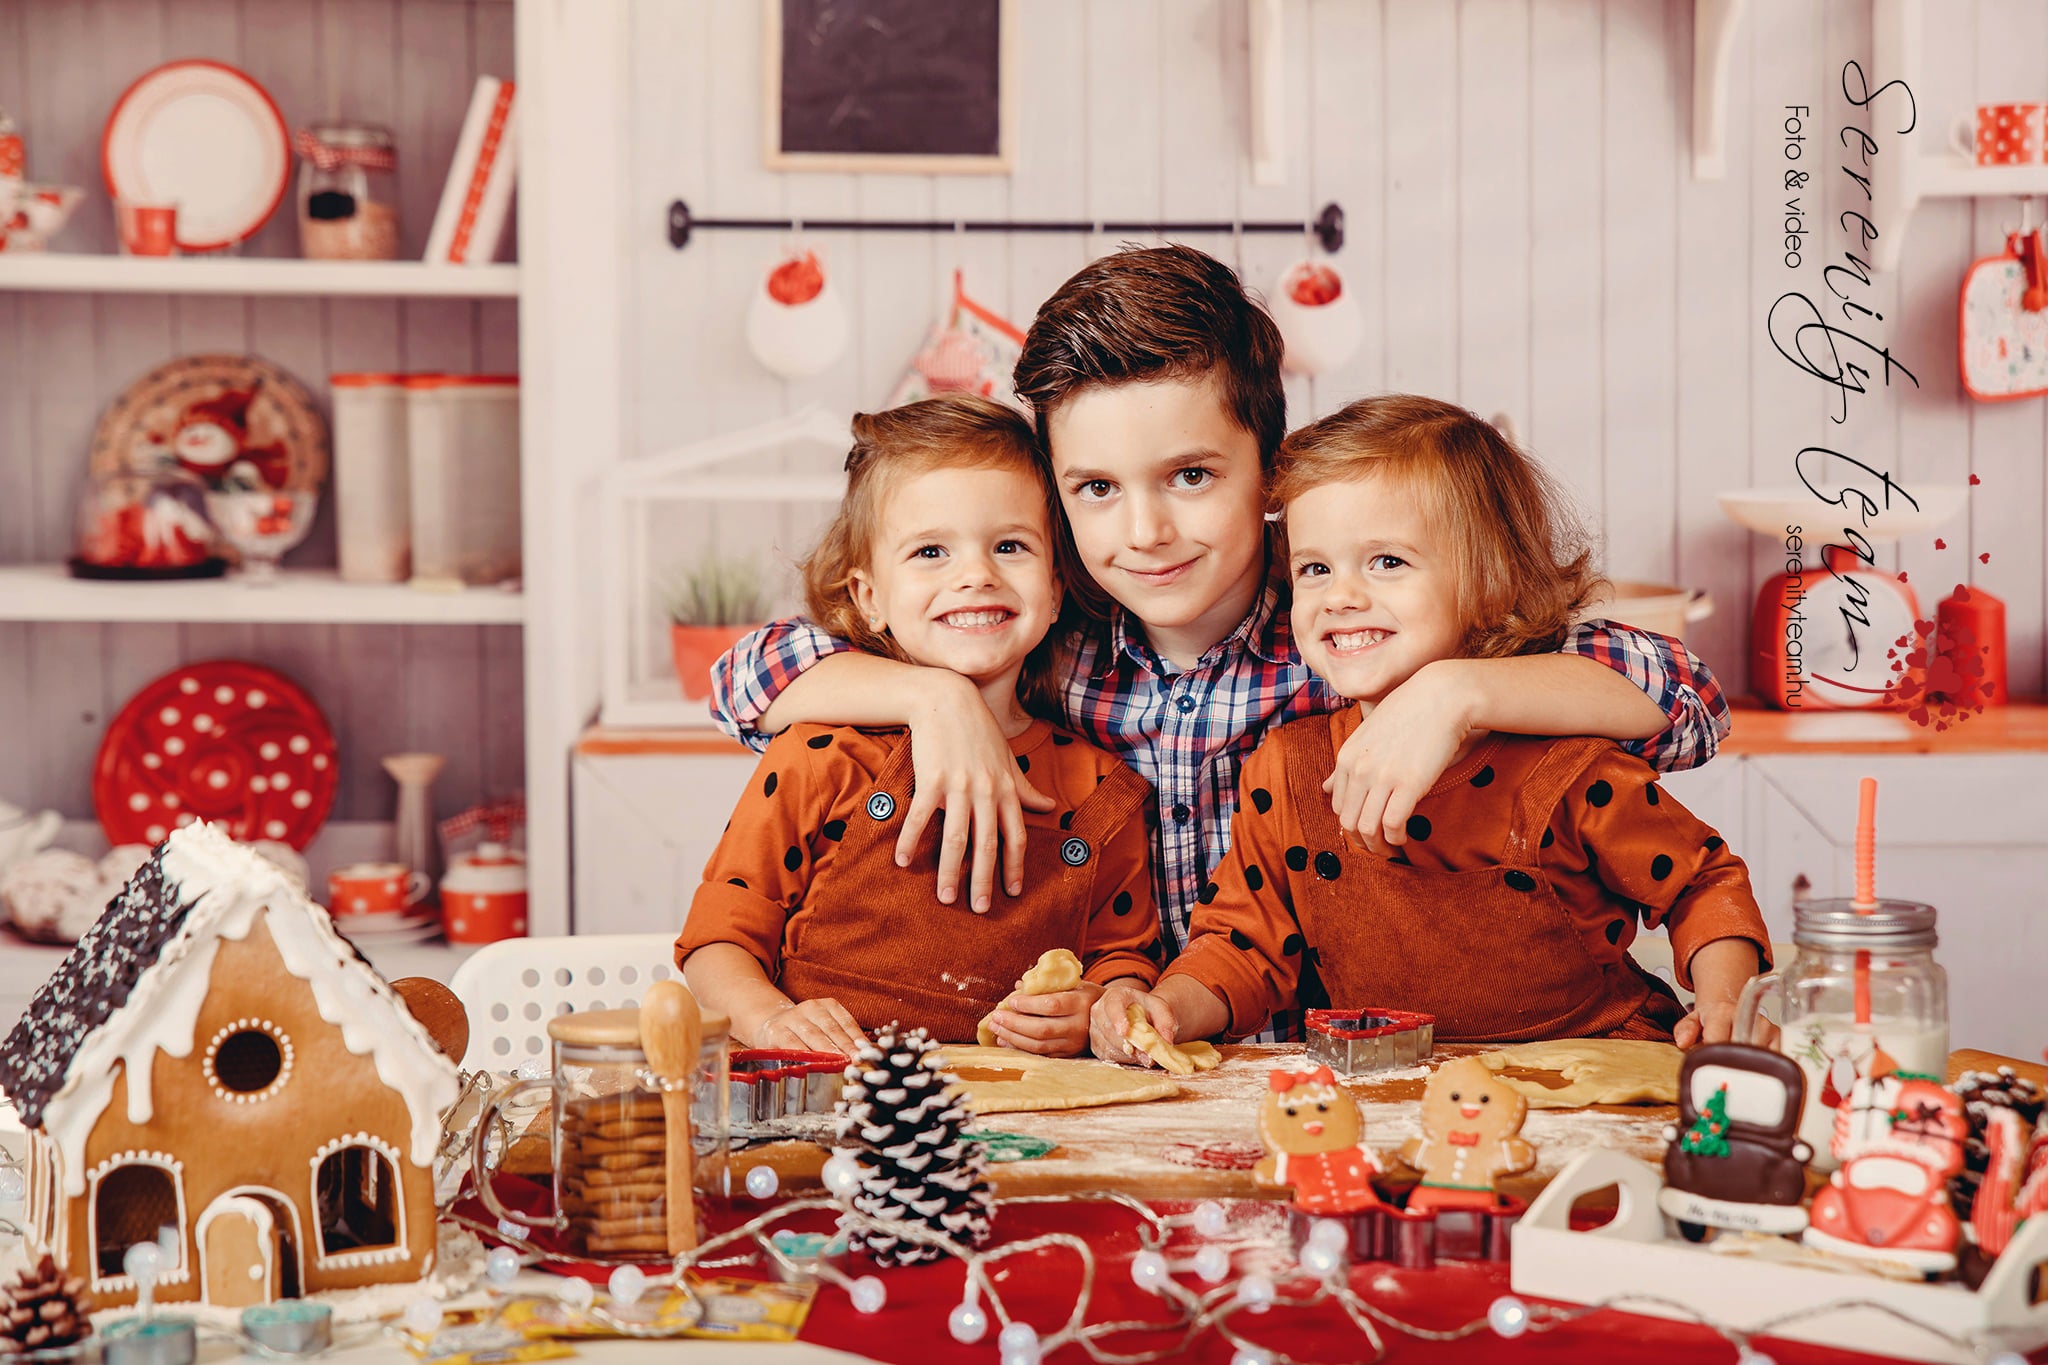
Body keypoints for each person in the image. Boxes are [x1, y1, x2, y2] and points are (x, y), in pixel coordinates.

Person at [709, 245, 1731, 1048]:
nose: (1144, 532)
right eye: (1095, 489)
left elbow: (1685, 701)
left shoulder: (1353, 626)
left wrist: (1455, 693)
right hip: (1131, 1065)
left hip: (1347, 1072)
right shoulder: (1043, 639)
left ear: (1271, 468)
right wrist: (930, 700)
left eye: (1189, 476)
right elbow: (743, 680)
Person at [1096, 396, 1771, 1057]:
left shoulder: (1567, 764)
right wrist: (1168, 1007)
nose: (1341, 596)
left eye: (1387, 562)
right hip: (1391, 1086)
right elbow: (1243, 946)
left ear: (1489, 583)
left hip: (1591, 1069)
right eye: (1315, 568)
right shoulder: (1286, 769)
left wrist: (1725, 1003)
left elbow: (1700, 883)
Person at [677, 397, 1160, 1058]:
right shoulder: (817, 755)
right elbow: (716, 942)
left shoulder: (1103, 788)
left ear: (1053, 590)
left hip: (1024, 1109)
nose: (976, 575)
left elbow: (1124, 959)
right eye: (931, 551)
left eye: (1009, 546)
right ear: (870, 597)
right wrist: (768, 1020)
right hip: (824, 1093)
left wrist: (1098, 1007)